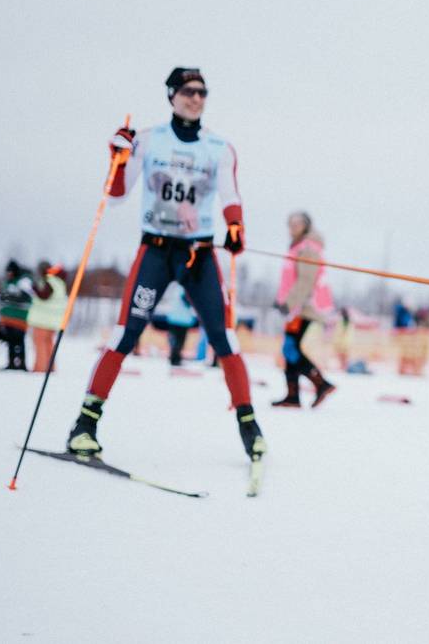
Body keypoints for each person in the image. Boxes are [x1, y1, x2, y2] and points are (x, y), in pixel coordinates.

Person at [65, 67, 266, 462]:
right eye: (189, 91)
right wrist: (117, 158)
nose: (196, 98)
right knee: (125, 334)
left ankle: (250, 428)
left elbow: (230, 194)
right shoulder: (148, 140)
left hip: (198, 255)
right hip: (156, 252)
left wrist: (236, 225)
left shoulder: (218, 148)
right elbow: (118, 194)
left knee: (226, 340)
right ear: (172, 95)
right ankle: (84, 425)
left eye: (202, 93)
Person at [271, 211, 336, 408]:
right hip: (296, 307)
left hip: (304, 307)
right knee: (291, 349)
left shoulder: (308, 248)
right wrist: (281, 300)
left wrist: (289, 303)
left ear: (306, 225)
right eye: (290, 224)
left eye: (297, 223)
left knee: (290, 348)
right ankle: (293, 396)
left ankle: (321, 384)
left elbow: (306, 280)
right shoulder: (298, 246)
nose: (293, 227)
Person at [26, 261, 68, 373]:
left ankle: (40, 369)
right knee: (48, 345)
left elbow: (44, 296)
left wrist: (33, 288)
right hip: (53, 321)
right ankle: (50, 368)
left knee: (40, 345)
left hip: (42, 320)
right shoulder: (60, 283)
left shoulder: (49, 282)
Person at [0, 260, 31, 371]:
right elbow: (3, 297)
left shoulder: (23, 282)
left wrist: (11, 297)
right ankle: (11, 363)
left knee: (20, 342)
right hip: (8, 318)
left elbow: (26, 299)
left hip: (20, 319)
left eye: (10, 272)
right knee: (10, 342)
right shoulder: (7, 283)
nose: (8, 274)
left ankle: (21, 364)